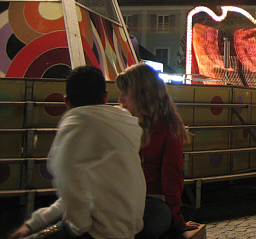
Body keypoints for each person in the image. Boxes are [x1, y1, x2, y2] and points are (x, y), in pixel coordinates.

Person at [10, 66, 146, 239]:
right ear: (105, 96)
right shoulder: (125, 126)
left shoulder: (73, 129)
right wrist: (35, 223)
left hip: (95, 232)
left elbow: (71, 190)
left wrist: (74, 227)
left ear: (66, 101)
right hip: (128, 229)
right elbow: (78, 193)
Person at [116, 63, 199, 237]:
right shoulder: (166, 125)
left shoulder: (166, 127)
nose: (120, 99)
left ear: (143, 95)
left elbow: (171, 177)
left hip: (148, 202)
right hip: (129, 202)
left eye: (126, 94)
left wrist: (177, 219)